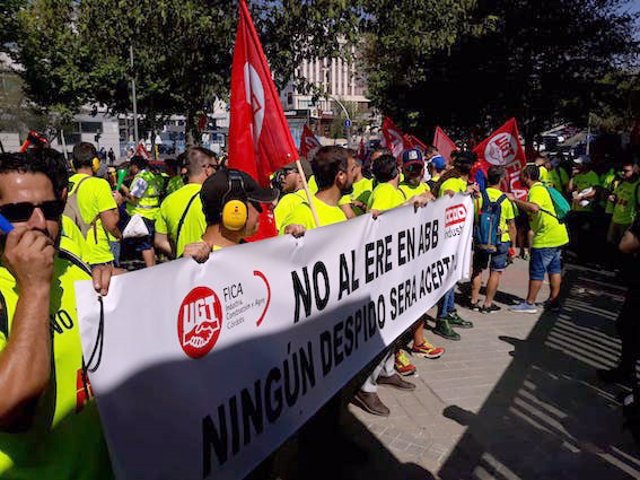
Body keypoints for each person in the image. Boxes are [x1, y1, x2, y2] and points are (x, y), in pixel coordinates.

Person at [0, 149, 115, 478]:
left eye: (50, 209)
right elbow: (13, 407)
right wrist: (34, 288)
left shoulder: (72, 266)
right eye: (19, 212)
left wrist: (194, 268)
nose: (39, 224)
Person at [182, 167, 280, 260]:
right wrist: (185, 267)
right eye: (256, 204)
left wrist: (292, 240)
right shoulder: (194, 264)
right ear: (235, 209)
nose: (260, 211)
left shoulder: (252, 253)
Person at [508, 164, 569, 313]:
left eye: (521, 175)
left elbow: (534, 207)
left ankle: (530, 303)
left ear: (527, 177)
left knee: (537, 271)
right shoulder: (542, 187)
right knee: (554, 270)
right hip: (558, 235)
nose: (520, 178)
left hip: (546, 237)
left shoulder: (536, 190)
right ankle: (554, 302)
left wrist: (514, 200)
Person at [434, 151, 477, 341]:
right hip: (447, 241)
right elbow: (447, 201)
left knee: (454, 276)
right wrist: (463, 194)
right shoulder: (451, 183)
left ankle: (450, 311)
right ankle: (441, 318)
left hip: (457, 239)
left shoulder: (459, 182)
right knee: (448, 278)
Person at [154, 147, 219, 259]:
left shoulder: (168, 200)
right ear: (207, 169)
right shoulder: (216, 197)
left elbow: (159, 241)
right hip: (213, 266)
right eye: (216, 167)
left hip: (185, 267)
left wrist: (180, 253)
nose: (217, 171)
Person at [470, 166, 517, 313]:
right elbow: (512, 226)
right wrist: (513, 246)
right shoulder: (506, 200)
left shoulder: (479, 196)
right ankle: (488, 304)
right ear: (501, 179)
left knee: (477, 269)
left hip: (481, 238)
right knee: (495, 272)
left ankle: (473, 300)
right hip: (500, 239)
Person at [67, 142, 122, 267]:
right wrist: (117, 205)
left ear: (72, 163)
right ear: (95, 163)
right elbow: (111, 224)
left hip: (71, 251)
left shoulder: (65, 184)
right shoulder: (99, 185)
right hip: (97, 255)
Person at [281, 146, 356, 232]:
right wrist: (289, 234)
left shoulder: (340, 214)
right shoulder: (303, 214)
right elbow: (279, 243)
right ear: (341, 176)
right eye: (352, 170)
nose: (354, 175)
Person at [120, 155, 162, 267]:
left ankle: (150, 270)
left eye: (131, 166)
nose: (130, 169)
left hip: (143, 215)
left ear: (135, 166)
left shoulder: (142, 178)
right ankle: (153, 268)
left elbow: (134, 198)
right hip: (151, 214)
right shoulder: (150, 176)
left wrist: (122, 187)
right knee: (149, 244)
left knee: (145, 245)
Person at [607, 160, 639, 247]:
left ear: (635, 171)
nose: (623, 173)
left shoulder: (638, 186)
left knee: (624, 247)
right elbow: (615, 194)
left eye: (626, 171)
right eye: (623, 170)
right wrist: (612, 197)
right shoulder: (622, 183)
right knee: (611, 243)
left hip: (627, 223)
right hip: (615, 219)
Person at [272, 164, 305, 232]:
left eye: (286, 172)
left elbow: (272, 229)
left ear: (301, 176)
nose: (281, 177)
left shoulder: (289, 199)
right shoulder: (314, 197)